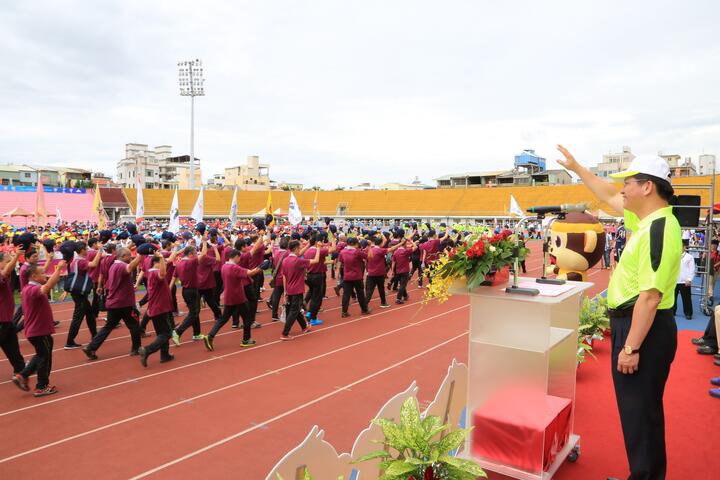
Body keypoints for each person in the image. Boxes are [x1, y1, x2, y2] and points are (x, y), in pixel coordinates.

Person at [558, 145, 681, 480]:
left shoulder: (658, 228)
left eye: (629, 182)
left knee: (640, 414)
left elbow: (651, 296)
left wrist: (631, 347)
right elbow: (607, 194)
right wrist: (577, 168)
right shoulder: (646, 219)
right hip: (637, 327)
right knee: (640, 413)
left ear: (648, 187)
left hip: (643, 331)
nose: (622, 189)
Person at [12, 260, 67, 397]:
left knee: (41, 354)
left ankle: (22, 376)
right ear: (34, 277)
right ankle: (41, 386)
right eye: (42, 273)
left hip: (37, 330)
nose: (45, 275)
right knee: (44, 357)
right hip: (39, 331)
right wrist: (59, 268)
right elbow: (47, 286)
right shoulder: (32, 289)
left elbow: (48, 283)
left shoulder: (27, 289)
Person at [83, 247, 143, 360]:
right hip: (124, 303)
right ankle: (136, 348)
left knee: (108, 327)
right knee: (134, 325)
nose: (131, 258)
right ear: (124, 256)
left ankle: (91, 347)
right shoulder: (120, 266)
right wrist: (141, 255)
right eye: (129, 256)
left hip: (114, 302)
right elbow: (130, 267)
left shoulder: (114, 266)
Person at [203, 249, 263, 351]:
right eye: (239, 257)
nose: (240, 260)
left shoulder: (224, 266)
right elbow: (250, 273)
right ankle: (246, 339)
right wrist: (261, 267)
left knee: (224, 318)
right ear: (235, 256)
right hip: (238, 297)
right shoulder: (234, 267)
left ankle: (210, 336)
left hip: (228, 296)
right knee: (247, 317)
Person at [138, 249, 179, 367]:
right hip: (161, 307)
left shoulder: (151, 272)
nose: (164, 264)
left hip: (157, 306)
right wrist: (161, 258)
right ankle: (147, 350)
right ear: (156, 262)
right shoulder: (155, 272)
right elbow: (162, 274)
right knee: (166, 333)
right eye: (162, 262)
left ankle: (164, 355)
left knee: (162, 332)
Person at [64, 241, 102, 349]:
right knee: (78, 317)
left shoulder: (75, 260)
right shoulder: (80, 261)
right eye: (86, 248)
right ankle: (69, 341)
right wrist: (100, 250)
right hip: (79, 292)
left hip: (78, 292)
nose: (87, 250)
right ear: (81, 250)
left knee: (89, 315)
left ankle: (94, 335)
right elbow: (94, 264)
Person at [281, 239, 320, 340]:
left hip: (289, 289)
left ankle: (304, 327)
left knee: (296, 309)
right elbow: (316, 261)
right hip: (297, 289)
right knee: (294, 311)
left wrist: (285, 291)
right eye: (300, 247)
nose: (301, 249)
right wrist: (319, 248)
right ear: (296, 248)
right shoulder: (298, 261)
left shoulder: (285, 260)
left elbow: (284, 276)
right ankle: (285, 333)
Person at [172, 243, 206, 343]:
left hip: (185, 291)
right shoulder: (191, 262)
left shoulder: (179, 263)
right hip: (192, 290)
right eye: (195, 253)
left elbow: (174, 278)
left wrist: (169, 290)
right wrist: (204, 241)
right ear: (191, 254)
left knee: (195, 312)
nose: (196, 255)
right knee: (193, 313)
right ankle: (178, 331)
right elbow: (203, 254)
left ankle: (196, 333)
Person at [0, 248, 25, 378]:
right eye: (7, 261)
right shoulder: (2, 273)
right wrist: (16, 257)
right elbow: (5, 272)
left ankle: (20, 369)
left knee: (12, 346)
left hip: (6, 320)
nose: (10, 262)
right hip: (1, 319)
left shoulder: (6, 274)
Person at [338, 237, 371, 318]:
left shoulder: (342, 252)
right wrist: (369, 246)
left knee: (346, 294)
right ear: (354, 244)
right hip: (357, 276)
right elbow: (369, 256)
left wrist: (338, 273)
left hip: (347, 276)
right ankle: (364, 309)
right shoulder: (357, 252)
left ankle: (344, 311)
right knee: (360, 294)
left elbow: (340, 262)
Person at [674, 239, 695, 320]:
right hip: (674, 281)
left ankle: (688, 313)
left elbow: (692, 269)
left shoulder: (689, 257)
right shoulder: (674, 256)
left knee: (686, 298)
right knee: (672, 298)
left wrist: (689, 279)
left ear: (684, 247)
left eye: (680, 246)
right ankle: (672, 311)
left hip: (684, 281)